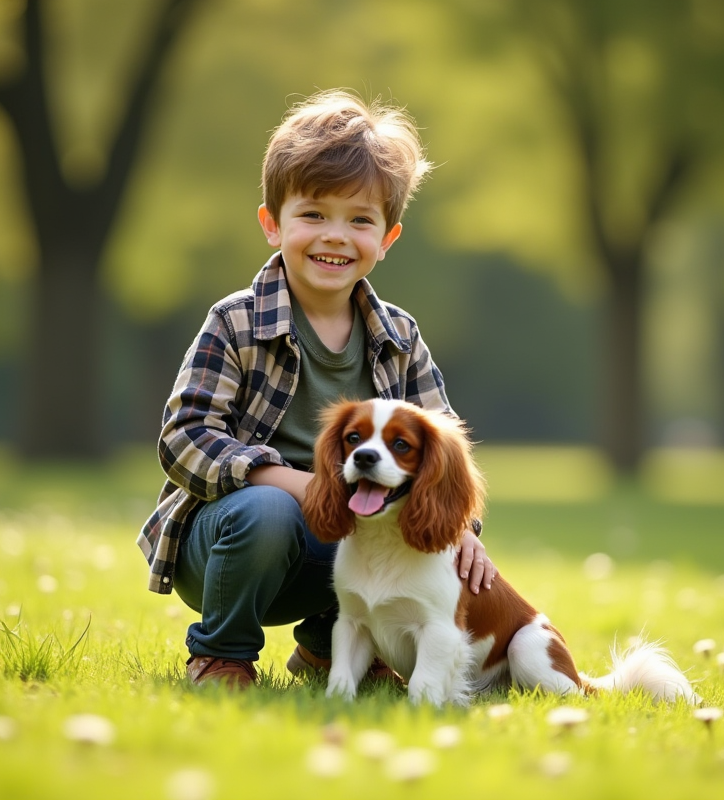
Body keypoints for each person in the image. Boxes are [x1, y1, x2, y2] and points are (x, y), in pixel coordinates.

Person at [136, 89, 496, 689]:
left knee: (379, 513)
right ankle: (221, 654)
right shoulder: (236, 322)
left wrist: (462, 535)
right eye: (313, 215)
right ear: (272, 224)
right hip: (234, 544)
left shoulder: (399, 335)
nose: (335, 236)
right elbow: (184, 438)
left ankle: (330, 649)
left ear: (387, 239)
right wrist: (301, 483)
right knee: (273, 510)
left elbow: (443, 454)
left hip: (349, 542)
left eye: (360, 220)